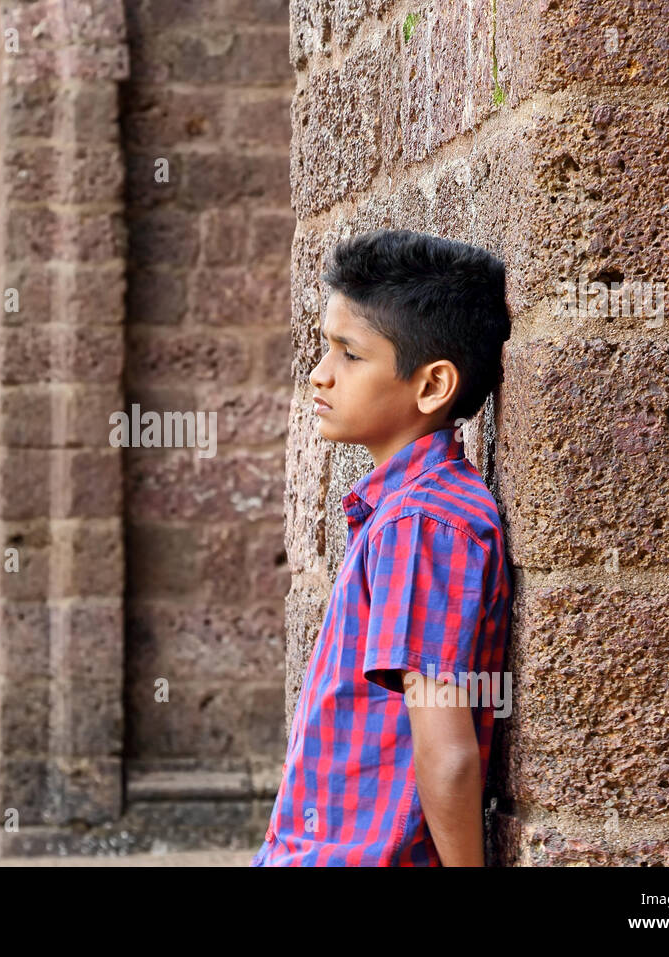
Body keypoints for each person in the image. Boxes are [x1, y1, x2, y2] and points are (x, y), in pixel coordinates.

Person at [252, 228, 514, 866]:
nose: (320, 375)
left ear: (431, 387)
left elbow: (445, 748)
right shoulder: (401, 512)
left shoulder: (423, 523)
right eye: (326, 348)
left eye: (349, 354)